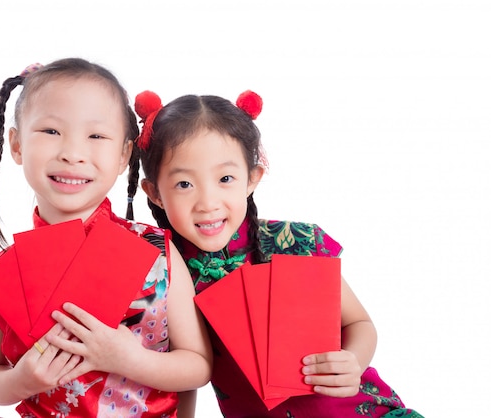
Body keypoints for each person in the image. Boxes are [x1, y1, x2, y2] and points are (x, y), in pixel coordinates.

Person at [128, 90, 424, 417]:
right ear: (154, 193)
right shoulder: (165, 274)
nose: (207, 202)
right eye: (185, 184)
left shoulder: (292, 243)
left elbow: (359, 321)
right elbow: (182, 375)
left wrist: (353, 360)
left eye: (225, 178)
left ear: (252, 179)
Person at [0, 58, 212, 418]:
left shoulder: (157, 252)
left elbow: (199, 366)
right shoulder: (5, 270)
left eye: (96, 136)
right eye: (51, 131)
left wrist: (130, 359)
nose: (72, 153)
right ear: (17, 145)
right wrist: (21, 380)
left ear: (123, 155)